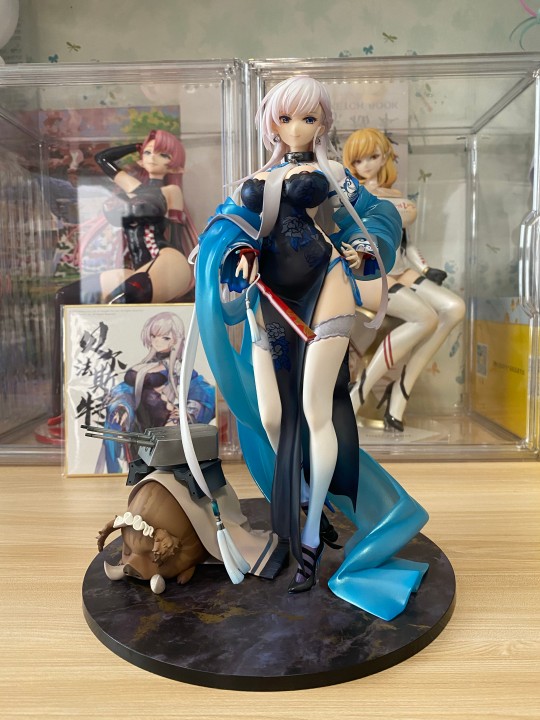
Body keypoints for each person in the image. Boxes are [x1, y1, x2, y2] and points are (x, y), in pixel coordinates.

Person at [193, 76, 429, 620]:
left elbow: (377, 216)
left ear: (322, 122)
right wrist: (235, 253)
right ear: (270, 122)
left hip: (327, 287)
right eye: (285, 118)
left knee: (316, 411)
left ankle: (309, 541)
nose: (296, 128)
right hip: (270, 299)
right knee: (271, 416)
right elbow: (225, 228)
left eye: (308, 118)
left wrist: (361, 248)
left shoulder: (333, 174)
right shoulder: (254, 179)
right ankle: (306, 502)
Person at [47, 130, 198, 433]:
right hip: (138, 268)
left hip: (167, 260)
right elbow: (104, 158)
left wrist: (187, 283)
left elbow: (177, 235)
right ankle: (60, 403)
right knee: (64, 298)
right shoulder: (132, 186)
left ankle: (139, 397)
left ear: (175, 165)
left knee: (123, 300)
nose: (152, 158)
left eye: (163, 154)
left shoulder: (171, 191)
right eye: (148, 152)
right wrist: (137, 144)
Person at [343, 128, 466, 431]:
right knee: (425, 318)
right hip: (371, 273)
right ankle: (360, 391)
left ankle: (401, 388)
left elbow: (406, 243)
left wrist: (425, 269)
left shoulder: (395, 196)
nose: (366, 165)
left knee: (454, 308)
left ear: (385, 156)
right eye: (358, 160)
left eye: (373, 156)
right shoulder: (352, 197)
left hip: (402, 269)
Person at [98, 311, 215, 474]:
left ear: (176, 340)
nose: (157, 341)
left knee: (161, 466)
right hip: (139, 422)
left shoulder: (178, 367)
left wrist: (186, 411)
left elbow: (204, 390)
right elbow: (126, 388)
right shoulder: (146, 363)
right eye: (153, 336)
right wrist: (121, 405)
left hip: (163, 423)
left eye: (165, 337)